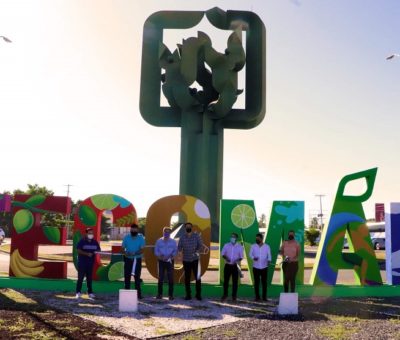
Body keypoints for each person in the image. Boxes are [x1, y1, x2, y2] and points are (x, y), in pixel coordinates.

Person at [178, 222, 203, 300]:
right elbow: (179, 248)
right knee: (187, 278)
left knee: (197, 278)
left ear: (192, 228)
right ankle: (188, 294)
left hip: (195, 260)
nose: (188, 228)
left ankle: (198, 294)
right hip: (186, 260)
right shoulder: (182, 237)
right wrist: (179, 253)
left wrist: (197, 251)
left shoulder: (196, 236)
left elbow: (200, 245)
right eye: (187, 227)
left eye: (189, 227)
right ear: (185, 228)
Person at [76, 228, 101, 299]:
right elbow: (78, 250)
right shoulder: (82, 241)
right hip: (82, 263)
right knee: (80, 278)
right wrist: (87, 254)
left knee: (89, 279)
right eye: (89, 233)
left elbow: (98, 249)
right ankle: (78, 292)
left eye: (92, 233)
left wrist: (97, 251)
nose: (91, 235)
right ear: (86, 234)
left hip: (90, 264)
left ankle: (90, 293)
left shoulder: (95, 242)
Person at [122, 224, 145, 298]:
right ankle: (126, 295)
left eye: (135, 229)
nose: (133, 231)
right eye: (132, 229)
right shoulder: (126, 237)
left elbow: (142, 250)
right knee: (127, 277)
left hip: (137, 260)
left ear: (137, 230)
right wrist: (126, 253)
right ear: (130, 230)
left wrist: (135, 253)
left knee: (137, 278)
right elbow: (122, 249)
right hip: (128, 259)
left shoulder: (141, 238)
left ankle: (138, 295)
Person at [154, 226, 177, 300]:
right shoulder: (158, 241)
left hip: (170, 261)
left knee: (170, 278)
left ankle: (170, 295)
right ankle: (159, 294)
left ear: (170, 233)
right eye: (165, 232)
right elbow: (156, 251)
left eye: (168, 232)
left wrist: (171, 256)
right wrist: (160, 257)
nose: (166, 233)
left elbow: (175, 251)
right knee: (160, 278)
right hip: (161, 261)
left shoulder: (173, 242)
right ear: (163, 232)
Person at [221, 233, 244, 302]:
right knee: (226, 282)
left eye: (233, 237)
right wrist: (226, 258)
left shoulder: (240, 247)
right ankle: (225, 295)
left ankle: (234, 296)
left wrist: (238, 260)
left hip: (235, 266)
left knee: (235, 282)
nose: (232, 238)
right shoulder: (226, 245)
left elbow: (241, 257)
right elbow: (223, 254)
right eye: (231, 237)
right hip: (227, 266)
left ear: (236, 238)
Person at [249, 233, 271, 301]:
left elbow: (269, 255)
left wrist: (269, 260)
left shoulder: (267, 246)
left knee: (264, 283)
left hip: (264, 267)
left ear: (261, 239)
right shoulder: (253, 246)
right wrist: (253, 258)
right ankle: (257, 297)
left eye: (258, 238)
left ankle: (264, 297)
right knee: (256, 283)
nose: (257, 239)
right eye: (256, 238)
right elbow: (250, 254)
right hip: (256, 267)